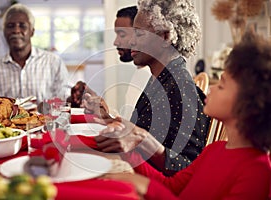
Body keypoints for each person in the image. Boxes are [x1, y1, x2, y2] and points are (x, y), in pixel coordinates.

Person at [105, 29, 271, 200]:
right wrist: (129, 150)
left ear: (249, 102)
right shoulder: (214, 150)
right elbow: (172, 186)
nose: (211, 89)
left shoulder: (257, 172)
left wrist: (145, 186)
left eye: (221, 86)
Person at [89, 0, 211, 176]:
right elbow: (141, 130)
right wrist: (107, 118)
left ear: (164, 37)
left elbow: (190, 168)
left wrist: (143, 141)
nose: (130, 41)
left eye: (138, 34)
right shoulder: (160, 79)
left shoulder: (181, 88)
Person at [0, 3, 71, 104]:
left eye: (22, 26)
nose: (16, 30)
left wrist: (77, 97)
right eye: (10, 26)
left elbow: (65, 98)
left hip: (46, 120)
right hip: (6, 120)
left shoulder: (53, 62)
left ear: (32, 31)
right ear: (4, 32)